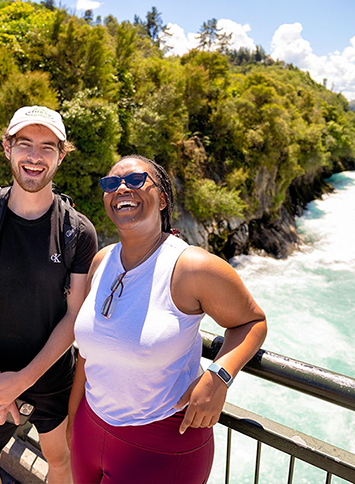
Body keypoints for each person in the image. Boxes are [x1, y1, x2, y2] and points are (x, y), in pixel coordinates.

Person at [69, 155, 268, 484]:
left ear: (162, 198)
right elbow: (87, 356)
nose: (121, 188)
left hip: (161, 444)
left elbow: (252, 322)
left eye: (135, 181)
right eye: (111, 183)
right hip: (89, 429)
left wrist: (219, 377)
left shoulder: (191, 266)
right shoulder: (102, 260)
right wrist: (73, 418)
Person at [0, 106, 97, 484]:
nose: (35, 157)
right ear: (7, 148)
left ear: (62, 156)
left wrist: (23, 380)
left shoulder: (78, 232)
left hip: (50, 375)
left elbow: (74, 315)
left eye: (47, 147)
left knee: (61, 462)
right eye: (25, 144)